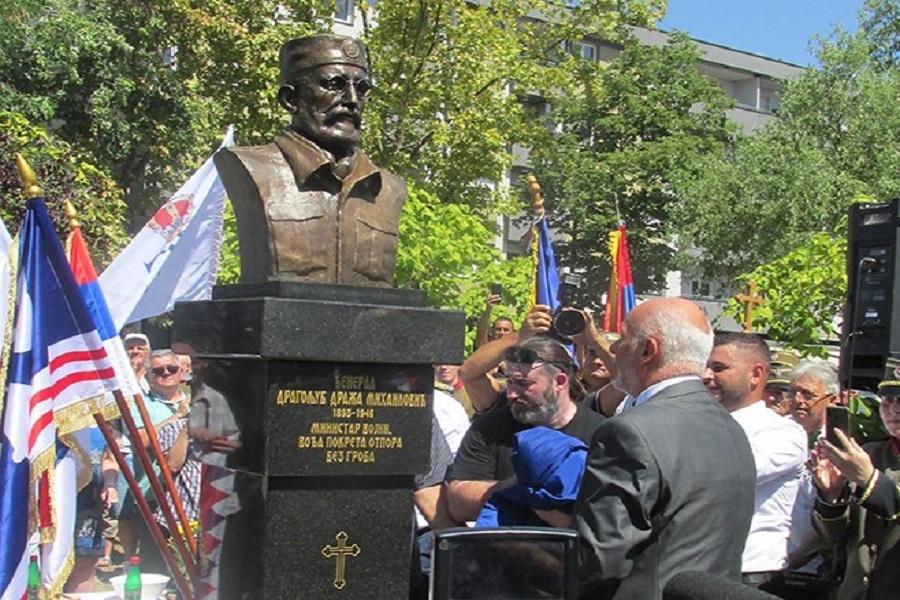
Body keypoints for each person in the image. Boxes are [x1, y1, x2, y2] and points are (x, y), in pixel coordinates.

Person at [575, 297, 755, 600]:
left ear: (648, 350)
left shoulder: (628, 432)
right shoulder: (730, 425)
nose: (615, 349)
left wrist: (526, 559)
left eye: (622, 338)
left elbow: (600, 559)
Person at [214, 34, 406, 286]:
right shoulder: (254, 168)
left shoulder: (388, 188)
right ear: (290, 100)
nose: (352, 100)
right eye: (334, 84)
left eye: (361, 89)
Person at [445, 336, 605, 524]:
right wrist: (519, 488)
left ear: (559, 381)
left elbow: (607, 515)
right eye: (510, 382)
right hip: (504, 547)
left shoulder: (602, 434)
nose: (511, 394)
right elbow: (458, 504)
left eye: (523, 384)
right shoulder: (489, 429)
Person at [703, 332, 808, 594]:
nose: (706, 376)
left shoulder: (783, 434)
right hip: (697, 568)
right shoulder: (697, 424)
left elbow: (720, 474)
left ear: (756, 374)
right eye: (704, 366)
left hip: (751, 575)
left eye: (719, 368)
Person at [808, 379, 900, 600]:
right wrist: (832, 496)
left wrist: (871, 481)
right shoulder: (869, 454)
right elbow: (834, 538)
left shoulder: (862, 462)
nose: (894, 409)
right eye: (887, 400)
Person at [789, 360, 840, 444]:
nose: (797, 400)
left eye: (807, 394)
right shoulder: (775, 430)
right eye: (792, 392)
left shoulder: (837, 439)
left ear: (831, 400)